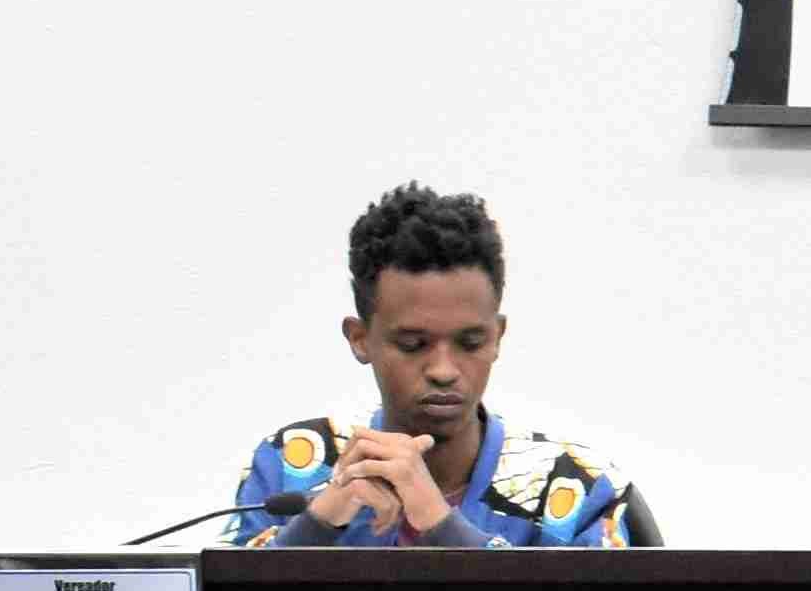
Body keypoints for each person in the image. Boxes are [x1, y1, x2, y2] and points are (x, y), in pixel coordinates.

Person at [226, 184, 640, 548]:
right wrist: (316, 523)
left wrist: (442, 524)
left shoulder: (572, 488)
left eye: (470, 343)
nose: (444, 370)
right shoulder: (292, 464)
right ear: (360, 338)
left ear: (497, 337)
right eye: (413, 345)